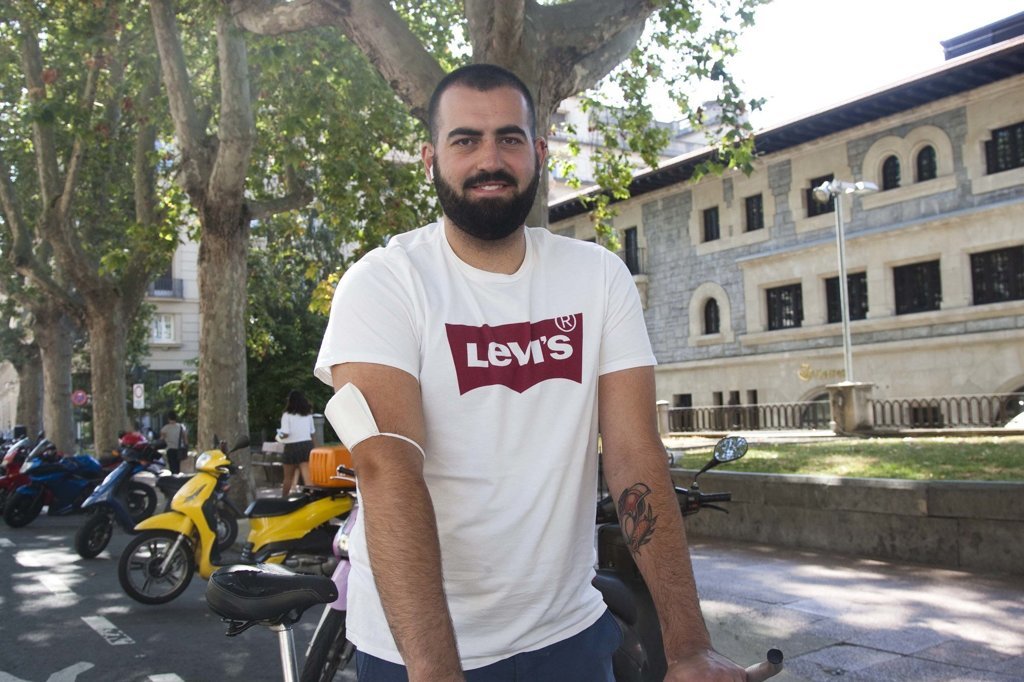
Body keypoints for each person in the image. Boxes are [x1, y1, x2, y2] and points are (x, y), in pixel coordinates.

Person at [314, 64, 747, 681]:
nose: (490, 159)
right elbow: (388, 468)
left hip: (569, 634)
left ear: (540, 153)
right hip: (416, 651)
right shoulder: (384, 283)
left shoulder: (598, 277)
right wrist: (435, 671)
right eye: (466, 140)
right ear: (430, 159)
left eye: (510, 139)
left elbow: (634, 456)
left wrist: (689, 648)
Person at [277, 389, 316, 496]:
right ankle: (312, 498)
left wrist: (279, 436)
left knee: (288, 478)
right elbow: (312, 432)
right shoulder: (308, 414)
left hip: (291, 446)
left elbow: (286, 433)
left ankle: (283, 499)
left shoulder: (287, 415)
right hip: (306, 445)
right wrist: (315, 447)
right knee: (308, 478)